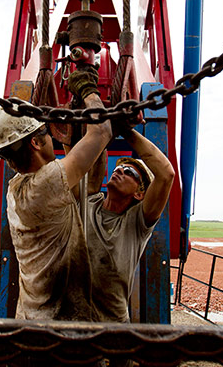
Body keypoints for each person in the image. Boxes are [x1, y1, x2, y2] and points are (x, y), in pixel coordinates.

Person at [0, 66, 111, 321]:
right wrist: (88, 90)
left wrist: (70, 139)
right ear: (35, 141)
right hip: (59, 327)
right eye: (47, 132)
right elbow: (102, 132)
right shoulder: (46, 184)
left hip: (31, 320)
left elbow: (86, 184)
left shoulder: (17, 189)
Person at [83, 125, 175, 324]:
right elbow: (93, 154)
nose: (119, 171)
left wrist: (125, 129)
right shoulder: (90, 202)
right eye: (117, 169)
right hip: (71, 322)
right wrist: (103, 125)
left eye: (129, 173)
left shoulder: (136, 223)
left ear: (139, 194)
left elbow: (166, 174)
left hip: (112, 328)